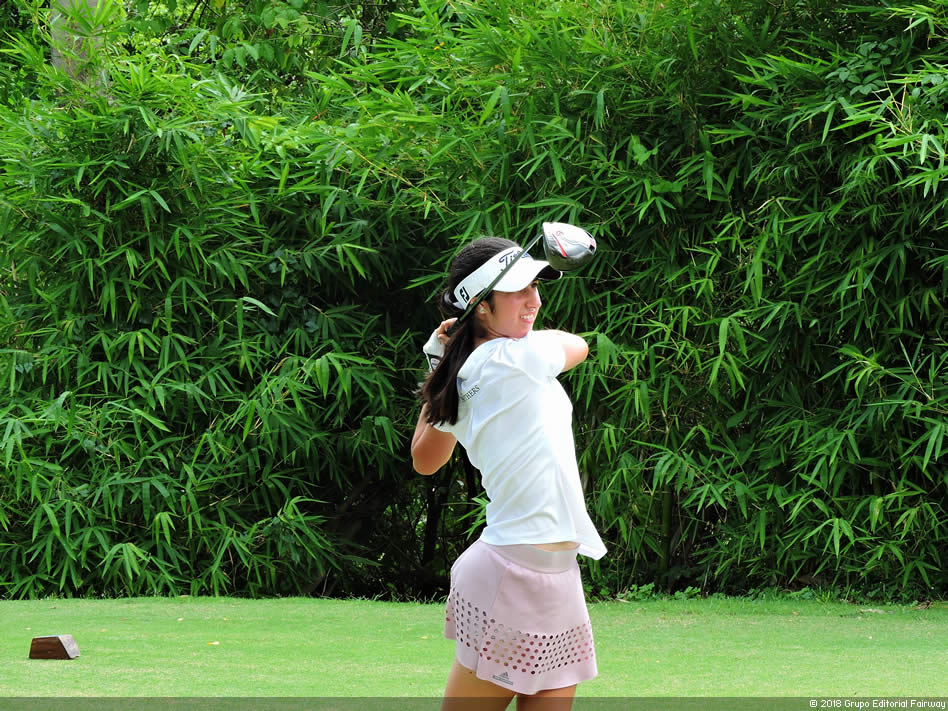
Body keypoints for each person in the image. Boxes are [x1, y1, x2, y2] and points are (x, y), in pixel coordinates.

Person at [411, 236, 607, 711]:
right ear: (481, 306)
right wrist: (446, 365)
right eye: (519, 290)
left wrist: (440, 363)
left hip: (555, 578)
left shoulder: (467, 374)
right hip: (511, 578)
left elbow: (424, 458)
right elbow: (579, 345)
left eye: (535, 286)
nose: (534, 301)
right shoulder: (515, 358)